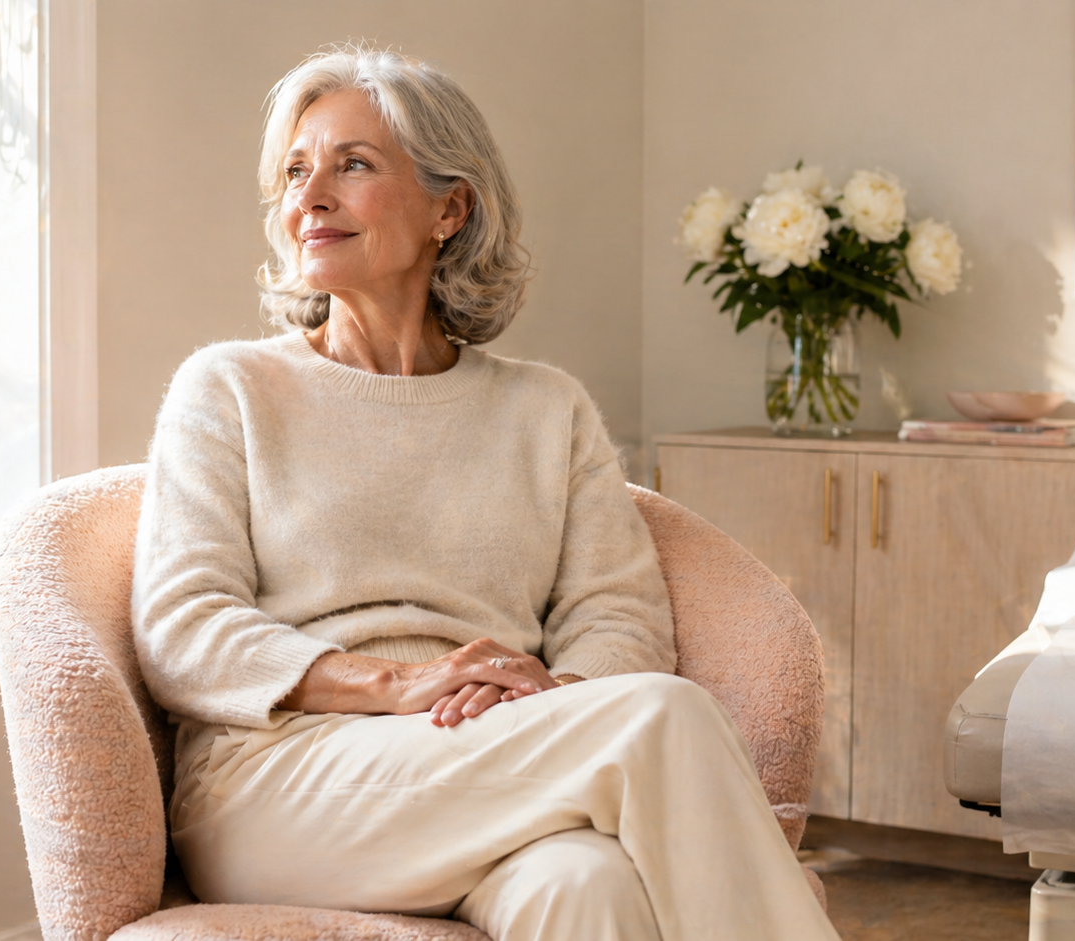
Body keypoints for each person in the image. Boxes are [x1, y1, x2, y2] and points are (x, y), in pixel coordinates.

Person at [131, 44, 839, 941]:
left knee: (587, 886)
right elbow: (184, 626)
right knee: (661, 716)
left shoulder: (545, 408)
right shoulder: (228, 388)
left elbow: (618, 614)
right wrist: (398, 683)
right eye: (297, 171)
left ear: (450, 207)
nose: (309, 197)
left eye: (352, 165)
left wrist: (553, 699)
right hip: (282, 778)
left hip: (494, 756)